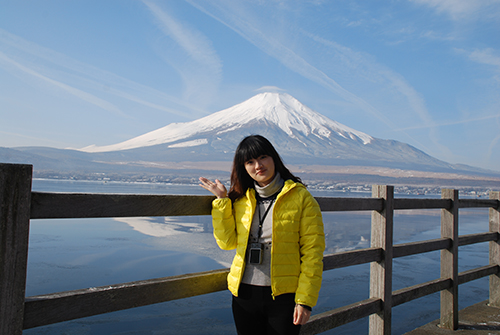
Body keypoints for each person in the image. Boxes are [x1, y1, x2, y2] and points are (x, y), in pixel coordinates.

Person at [199, 135, 325, 335]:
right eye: (250, 162)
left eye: (263, 157)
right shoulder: (240, 199)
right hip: (243, 294)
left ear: (273, 158)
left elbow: (313, 253)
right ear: (243, 167)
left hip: (283, 297)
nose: (258, 165)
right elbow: (227, 243)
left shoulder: (301, 198)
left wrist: (305, 301)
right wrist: (222, 201)